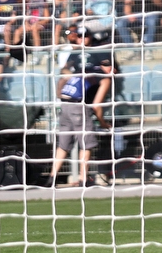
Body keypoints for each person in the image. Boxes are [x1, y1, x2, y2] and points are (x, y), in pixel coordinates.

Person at [47, 55, 113, 188]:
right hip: (79, 107)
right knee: (86, 144)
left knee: (63, 145)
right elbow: (96, 105)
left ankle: (52, 178)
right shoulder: (105, 78)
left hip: (65, 106)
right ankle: (83, 179)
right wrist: (103, 123)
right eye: (110, 66)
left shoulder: (82, 72)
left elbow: (62, 85)